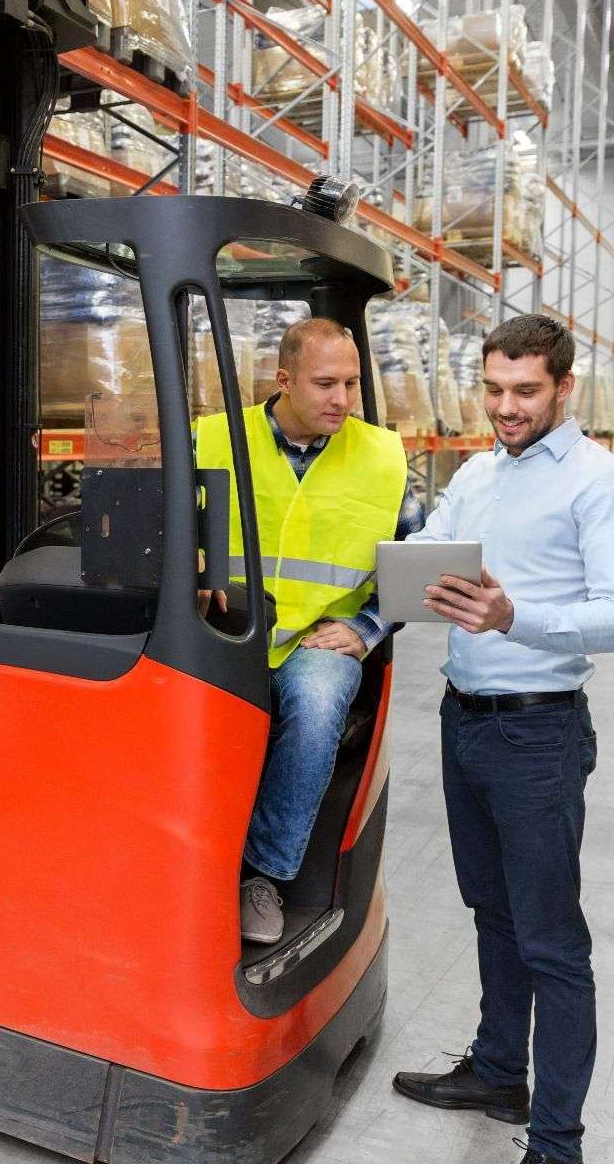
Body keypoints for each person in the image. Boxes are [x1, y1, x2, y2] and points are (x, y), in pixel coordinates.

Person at [389, 314, 614, 1164]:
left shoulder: (599, 482)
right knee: (490, 913)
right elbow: (429, 551)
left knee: (552, 942)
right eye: (494, 389)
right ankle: (500, 1070)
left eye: (525, 391)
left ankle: (558, 1142)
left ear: (563, 387)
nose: (505, 406)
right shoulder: (478, 472)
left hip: (539, 732)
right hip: (465, 720)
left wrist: (513, 615)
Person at [194, 316, 422, 945]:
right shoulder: (212, 439)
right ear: (284, 379)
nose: (342, 400)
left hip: (318, 638)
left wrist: (367, 627)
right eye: (325, 384)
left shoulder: (382, 454)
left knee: (320, 702)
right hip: (220, 630)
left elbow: (419, 558)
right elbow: (160, 537)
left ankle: (263, 874)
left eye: (351, 384)